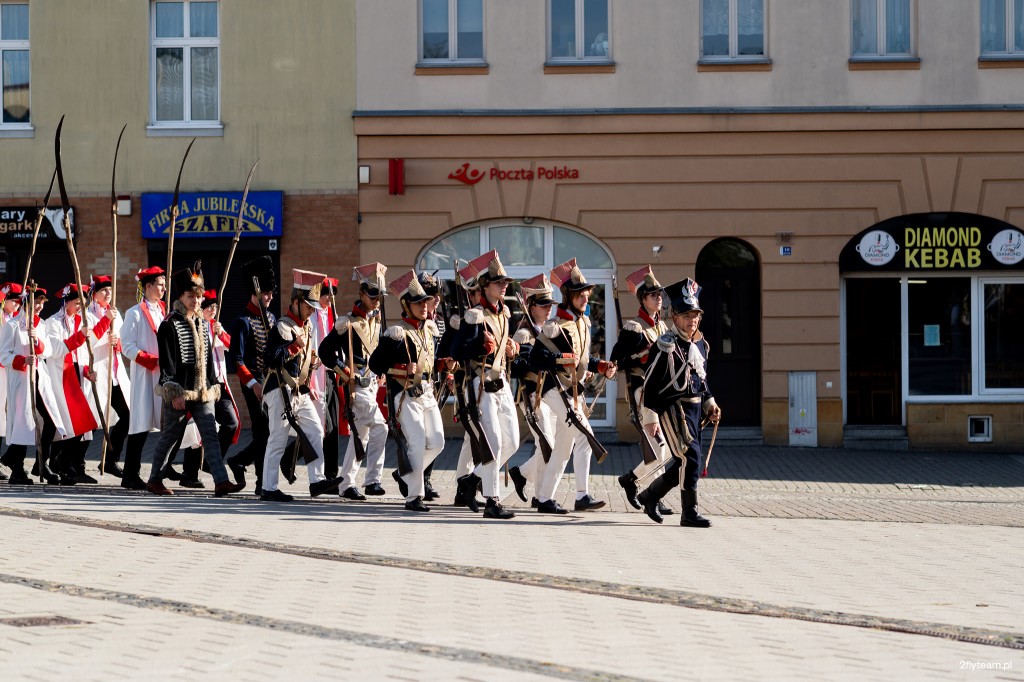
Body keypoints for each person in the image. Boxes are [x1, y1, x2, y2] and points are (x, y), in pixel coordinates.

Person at [144, 264, 244, 498]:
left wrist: (212, 385)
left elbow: (207, 357)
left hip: (203, 391)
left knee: (210, 435)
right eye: (191, 297)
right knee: (170, 436)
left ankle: (221, 481)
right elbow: (167, 363)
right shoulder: (169, 324)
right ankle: (154, 479)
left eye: (198, 297)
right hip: (179, 392)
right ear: (181, 296)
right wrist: (174, 390)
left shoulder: (201, 323)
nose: (196, 301)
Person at [529, 258, 617, 513]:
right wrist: (560, 360)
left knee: (566, 446)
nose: (585, 298)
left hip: (572, 391)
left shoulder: (584, 323)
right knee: (585, 436)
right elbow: (536, 359)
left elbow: (583, 360)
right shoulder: (555, 326)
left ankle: (546, 498)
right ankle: (581, 495)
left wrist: (600, 366)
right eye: (580, 294)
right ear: (568, 296)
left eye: (586, 294)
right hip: (553, 389)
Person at [636, 278, 721, 528]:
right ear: (674, 315)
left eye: (695, 315)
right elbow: (649, 384)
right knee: (690, 457)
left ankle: (650, 495)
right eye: (686, 315)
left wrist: (710, 404)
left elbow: (701, 379)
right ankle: (689, 512)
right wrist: (650, 417)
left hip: (695, 409)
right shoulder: (665, 345)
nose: (691, 320)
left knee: (686, 461)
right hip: (672, 407)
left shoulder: (701, 344)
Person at [259, 269, 342, 502]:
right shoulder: (282, 327)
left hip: (299, 390)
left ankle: (317, 481)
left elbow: (300, 363)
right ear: (296, 302)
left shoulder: (305, 327)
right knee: (277, 439)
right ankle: (268, 487)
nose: (311, 311)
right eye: (308, 306)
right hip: (279, 389)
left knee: (316, 430)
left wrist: (312, 362)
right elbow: (270, 359)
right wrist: (294, 347)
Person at [368, 270, 444, 512]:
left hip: (428, 393)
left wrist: (444, 365)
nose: (424, 306)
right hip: (404, 395)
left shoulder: (429, 330)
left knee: (439, 442)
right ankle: (414, 497)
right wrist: (402, 367)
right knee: (418, 441)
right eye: (418, 303)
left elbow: (431, 363)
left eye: (425, 301)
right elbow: (375, 364)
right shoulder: (396, 333)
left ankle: (406, 473)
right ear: (406, 305)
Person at [452, 250, 518, 520]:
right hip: (480, 385)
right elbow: (458, 351)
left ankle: (471, 481)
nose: (503, 286)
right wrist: (480, 345)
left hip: (502, 383)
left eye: (504, 282)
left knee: (512, 441)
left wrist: (510, 347)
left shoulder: (505, 314)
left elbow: (502, 347)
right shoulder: (474, 316)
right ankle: (492, 501)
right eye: (498, 282)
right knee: (494, 444)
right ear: (484, 286)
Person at [317, 262, 388, 500]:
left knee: (362, 435)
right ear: (361, 294)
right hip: (355, 386)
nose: (377, 300)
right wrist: (342, 369)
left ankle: (346, 484)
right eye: (372, 295)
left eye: (379, 295)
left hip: (372, 383)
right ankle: (373, 479)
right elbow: (324, 351)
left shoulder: (377, 321)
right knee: (381, 428)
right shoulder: (346, 323)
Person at [610, 266, 674, 517]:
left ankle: (640, 485)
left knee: (664, 449)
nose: (658, 298)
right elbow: (618, 360)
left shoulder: (662, 327)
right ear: (643, 299)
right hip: (644, 393)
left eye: (659, 295)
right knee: (658, 447)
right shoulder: (633, 328)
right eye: (653, 295)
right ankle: (638, 484)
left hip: (661, 393)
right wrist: (642, 354)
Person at [177, 289, 240, 488]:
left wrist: (220, 333)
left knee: (231, 423)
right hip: (199, 382)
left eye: (215, 307)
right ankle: (188, 473)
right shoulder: (195, 327)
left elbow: (233, 346)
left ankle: (210, 463)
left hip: (218, 383)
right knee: (195, 429)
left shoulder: (215, 327)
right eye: (209, 307)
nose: (213, 310)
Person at [0, 286, 63, 485]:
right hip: (21, 379)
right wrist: (21, 360)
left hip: (39, 377)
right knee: (23, 422)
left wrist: (37, 340)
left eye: (43, 302)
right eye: (36, 301)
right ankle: (17, 469)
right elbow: (3, 355)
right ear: (26, 302)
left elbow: (47, 352)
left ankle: (41, 463)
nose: (39, 306)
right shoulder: (12, 326)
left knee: (51, 420)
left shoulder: (41, 325)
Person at [41, 283, 101, 484]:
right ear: (66, 302)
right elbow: (57, 350)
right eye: (77, 303)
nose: (80, 308)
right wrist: (80, 336)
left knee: (84, 424)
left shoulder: (79, 322)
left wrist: (87, 371)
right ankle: (55, 464)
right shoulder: (53, 322)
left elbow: (80, 354)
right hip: (60, 376)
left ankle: (64, 463)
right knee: (68, 424)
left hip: (76, 375)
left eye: (83, 304)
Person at [226, 256, 276, 494]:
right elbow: (236, 360)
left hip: (272, 383)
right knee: (261, 430)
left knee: (272, 430)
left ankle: (239, 460)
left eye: (271, 293)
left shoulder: (273, 319)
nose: (270, 297)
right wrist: (254, 384)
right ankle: (260, 482)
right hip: (253, 383)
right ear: (255, 293)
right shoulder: (242, 322)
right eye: (266, 293)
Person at [507, 273, 557, 507]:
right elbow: (517, 366)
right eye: (544, 305)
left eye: (550, 305)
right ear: (532, 306)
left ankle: (534, 489)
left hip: (551, 395)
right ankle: (537, 490)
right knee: (547, 444)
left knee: (546, 445)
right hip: (533, 395)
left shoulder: (547, 331)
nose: (548, 309)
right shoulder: (524, 334)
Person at [119, 266, 168, 490]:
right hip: (144, 374)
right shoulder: (134, 313)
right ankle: (130, 474)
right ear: (148, 287)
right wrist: (151, 360)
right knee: (139, 425)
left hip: (164, 375)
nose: (164, 288)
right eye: (160, 284)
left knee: (169, 423)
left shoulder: (165, 311)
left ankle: (164, 470)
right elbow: (126, 346)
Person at [86, 275, 130, 478]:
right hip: (96, 372)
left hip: (114, 373)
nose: (108, 293)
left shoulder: (115, 313)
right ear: (94, 294)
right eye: (104, 290)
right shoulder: (88, 315)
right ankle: (70, 460)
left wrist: (116, 341)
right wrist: (106, 322)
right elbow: (89, 341)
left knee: (127, 415)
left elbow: (123, 341)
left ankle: (112, 459)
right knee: (94, 418)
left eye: (110, 290)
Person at [310, 277, 341, 481]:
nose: (329, 297)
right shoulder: (312, 316)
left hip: (331, 373)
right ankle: (288, 459)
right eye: (326, 293)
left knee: (334, 424)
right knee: (322, 425)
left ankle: (331, 472)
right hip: (316, 373)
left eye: (332, 294)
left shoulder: (332, 315)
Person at [0, 282, 24, 480]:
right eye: (13, 301)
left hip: (12, 372)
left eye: (18, 302)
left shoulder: (17, 321)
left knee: (10, 417)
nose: (17, 305)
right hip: (2, 370)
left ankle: (12, 459)